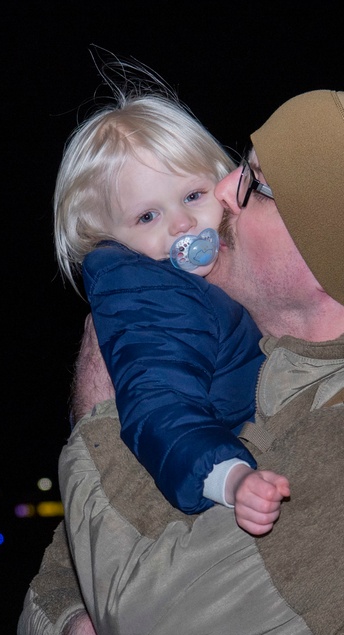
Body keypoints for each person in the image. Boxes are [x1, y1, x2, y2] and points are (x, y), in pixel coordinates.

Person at [20, 80, 344, 635]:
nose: (225, 186)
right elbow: (55, 589)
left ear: (326, 246)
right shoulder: (267, 388)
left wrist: (101, 406)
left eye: (260, 183)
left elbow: (129, 616)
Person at [53, 80, 289, 534]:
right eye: (147, 216)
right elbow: (158, 403)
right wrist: (230, 476)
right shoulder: (149, 291)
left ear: (221, 184)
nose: (182, 224)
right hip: (198, 485)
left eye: (192, 196)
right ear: (107, 236)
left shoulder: (207, 284)